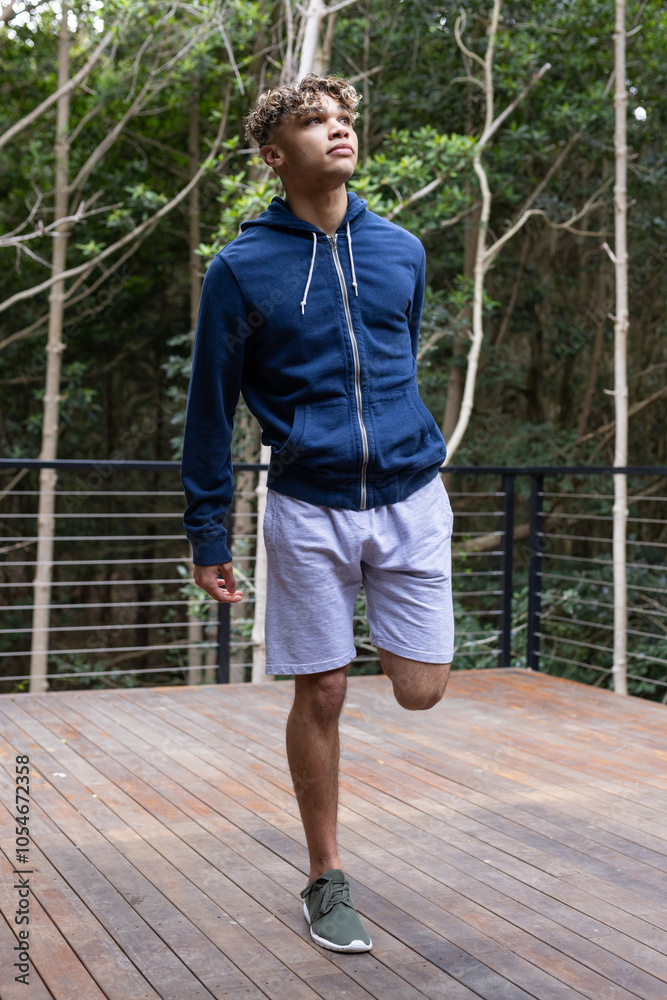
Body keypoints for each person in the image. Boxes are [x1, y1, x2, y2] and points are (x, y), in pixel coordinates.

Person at [181, 73, 455, 954]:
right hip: (308, 504)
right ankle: (325, 875)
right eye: (313, 122)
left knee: (421, 690)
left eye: (343, 119)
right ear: (275, 155)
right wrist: (208, 532)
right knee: (323, 687)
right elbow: (210, 407)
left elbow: (397, 356)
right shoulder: (240, 269)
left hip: (411, 494)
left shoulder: (401, 251)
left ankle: (365, 619)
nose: (337, 130)